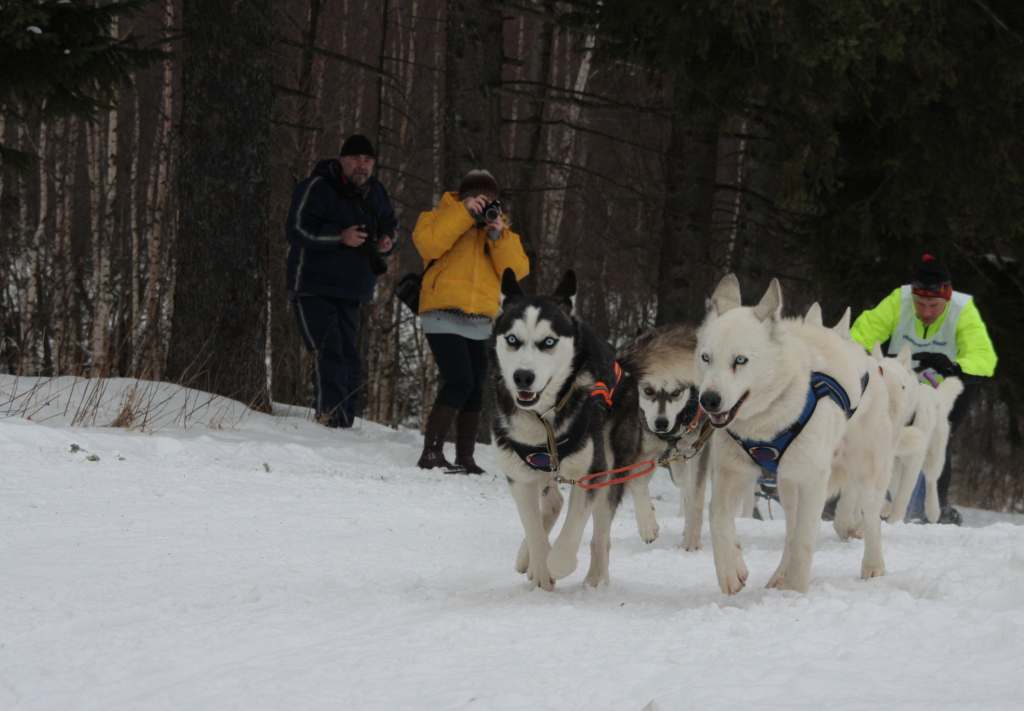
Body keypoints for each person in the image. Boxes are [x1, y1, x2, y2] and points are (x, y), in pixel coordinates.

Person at [850, 252, 998, 524]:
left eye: (933, 305)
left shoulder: (963, 309)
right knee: (879, 430)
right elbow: (861, 334)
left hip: (947, 381)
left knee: (938, 433)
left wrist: (954, 366)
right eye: (920, 304)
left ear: (947, 298)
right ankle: (867, 497)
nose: (926, 311)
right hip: (902, 379)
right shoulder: (899, 300)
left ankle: (934, 509)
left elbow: (984, 357)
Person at [412, 169, 530, 473]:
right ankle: (431, 452)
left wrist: (497, 235)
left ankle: (465, 457)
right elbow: (429, 245)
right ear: (462, 197)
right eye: (478, 198)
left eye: (491, 199)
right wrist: (464, 214)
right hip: (441, 312)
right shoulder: (438, 217)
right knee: (459, 380)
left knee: (475, 386)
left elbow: (516, 272)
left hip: (480, 318)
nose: (484, 204)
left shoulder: (499, 232)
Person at [285, 134, 397, 428]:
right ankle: (330, 420)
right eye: (356, 159)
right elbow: (296, 230)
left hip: (353, 289)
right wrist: (340, 237)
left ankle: (344, 422)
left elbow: (389, 222)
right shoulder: (317, 187)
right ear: (342, 160)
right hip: (312, 286)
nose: (362, 165)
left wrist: (387, 240)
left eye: (368, 160)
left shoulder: (376, 192)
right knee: (329, 351)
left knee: (350, 357)